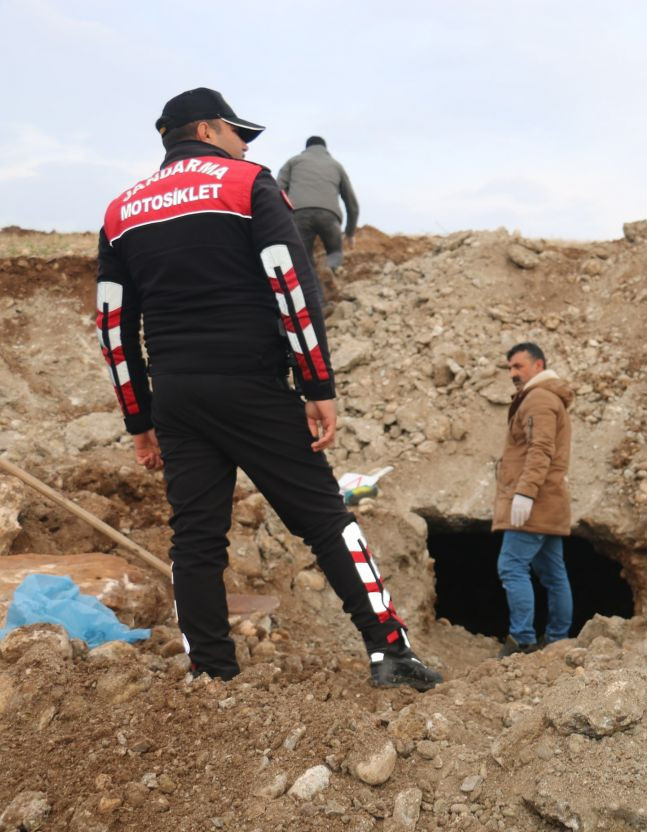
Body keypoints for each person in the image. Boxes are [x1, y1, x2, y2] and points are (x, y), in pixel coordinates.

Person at [95, 87, 440, 690]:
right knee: (327, 518)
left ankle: (211, 670)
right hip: (250, 383)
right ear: (205, 129)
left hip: (176, 395)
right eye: (237, 132)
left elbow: (112, 323)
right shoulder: (247, 184)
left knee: (195, 539)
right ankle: (389, 650)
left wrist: (138, 418)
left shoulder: (120, 212)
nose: (245, 144)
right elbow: (291, 283)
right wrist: (317, 384)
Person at [491, 342, 575, 656]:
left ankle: (522, 639)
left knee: (511, 566)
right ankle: (557, 639)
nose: (513, 373)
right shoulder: (544, 397)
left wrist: (524, 492)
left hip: (536, 501)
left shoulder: (538, 398)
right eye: (510, 368)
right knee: (553, 573)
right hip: (549, 500)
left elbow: (540, 449)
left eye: (519, 366)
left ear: (538, 365)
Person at [277, 136, 359, 277]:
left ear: (306, 148)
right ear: (325, 149)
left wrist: (279, 221)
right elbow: (351, 203)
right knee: (334, 252)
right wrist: (350, 233)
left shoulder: (294, 161)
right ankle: (332, 271)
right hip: (329, 216)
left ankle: (311, 285)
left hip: (298, 215)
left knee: (302, 260)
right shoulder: (336, 165)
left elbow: (278, 190)